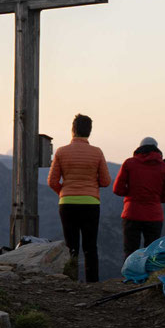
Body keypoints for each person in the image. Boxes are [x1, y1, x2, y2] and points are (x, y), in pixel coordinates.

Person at [47, 113, 111, 282]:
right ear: (89, 131)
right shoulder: (97, 152)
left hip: (67, 203)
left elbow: (52, 181)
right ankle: (92, 282)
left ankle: (71, 280)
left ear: (72, 130)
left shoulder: (61, 152)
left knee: (71, 246)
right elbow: (105, 181)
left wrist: (64, 192)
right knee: (90, 246)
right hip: (91, 203)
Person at [112, 135, 165, 256]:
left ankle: (130, 274)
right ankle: (148, 275)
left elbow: (117, 189)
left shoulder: (129, 163)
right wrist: (154, 198)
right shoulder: (164, 168)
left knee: (130, 252)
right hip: (154, 215)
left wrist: (131, 193)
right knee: (151, 253)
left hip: (132, 213)